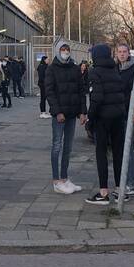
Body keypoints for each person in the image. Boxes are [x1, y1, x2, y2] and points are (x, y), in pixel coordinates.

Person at [84, 44, 130, 206]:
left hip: (103, 118)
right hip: (118, 117)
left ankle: (103, 192)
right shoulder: (115, 69)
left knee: (101, 153)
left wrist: (90, 118)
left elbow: (96, 98)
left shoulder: (95, 72)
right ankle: (119, 190)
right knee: (118, 153)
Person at [45, 41, 85, 194]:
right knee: (57, 146)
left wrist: (83, 112)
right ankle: (56, 181)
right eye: (62, 49)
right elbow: (49, 92)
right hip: (59, 115)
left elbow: (81, 91)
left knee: (68, 147)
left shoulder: (75, 68)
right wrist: (57, 112)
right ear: (57, 51)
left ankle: (65, 178)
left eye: (67, 49)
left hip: (72, 114)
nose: (65, 52)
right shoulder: (51, 69)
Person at [115, 43, 134, 196]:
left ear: (128, 54)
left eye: (124, 52)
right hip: (116, 113)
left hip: (126, 112)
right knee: (120, 149)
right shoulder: (115, 68)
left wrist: (125, 106)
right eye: (119, 52)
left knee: (128, 149)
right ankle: (125, 182)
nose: (122, 54)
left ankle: (132, 183)